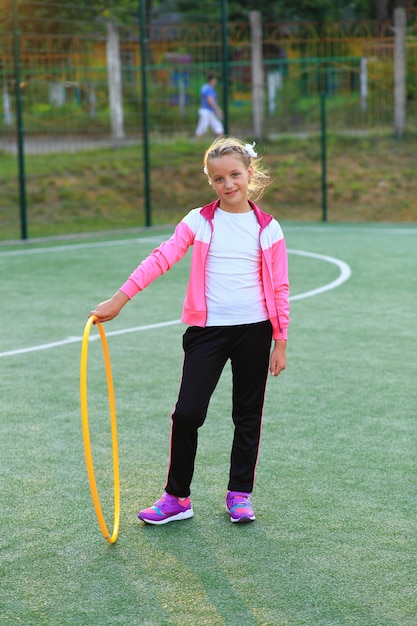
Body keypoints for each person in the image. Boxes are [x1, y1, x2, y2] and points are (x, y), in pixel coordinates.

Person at [89, 136, 290, 525]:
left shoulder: (269, 229)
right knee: (186, 414)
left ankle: (239, 494)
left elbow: (279, 287)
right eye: (218, 178)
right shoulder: (198, 221)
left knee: (247, 414)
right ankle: (177, 498)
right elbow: (161, 258)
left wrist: (280, 341)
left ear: (250, 174)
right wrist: (119, 299)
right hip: (207, 333)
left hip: (255, 331)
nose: (228, 184)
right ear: (210, 181)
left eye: (234, 175)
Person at [195, 74, 224, 138]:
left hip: (210, 111)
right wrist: (217, 110)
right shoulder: (209, 89)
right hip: (207, 111)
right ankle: (197, 143)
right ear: (212, 80)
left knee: (218, 127)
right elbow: (210, 101)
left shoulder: (205, 87)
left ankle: (222, 144)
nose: (216, 81)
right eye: (215, 79)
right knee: (202, 128)